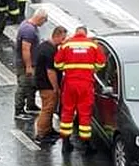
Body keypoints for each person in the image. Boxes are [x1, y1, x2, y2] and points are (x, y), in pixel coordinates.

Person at [53, 25, 105, 154]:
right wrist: (91, 68)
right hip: (86, 84)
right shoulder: (93, 45)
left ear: (75, 33)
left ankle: (65, 143)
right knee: (84, 114)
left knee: (67, 112)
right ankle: (86, 145)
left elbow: (57, 64)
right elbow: (101, 63)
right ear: (85, 34)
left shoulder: (66, 45)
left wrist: (69, 68)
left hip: (70, 84)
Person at [33, 25, 67, 144]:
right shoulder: (50, 51)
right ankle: (41, 134)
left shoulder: (44, 46)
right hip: (47, 85)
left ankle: (49, 130)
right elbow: (50, 71)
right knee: (47, 109)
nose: (63, 42)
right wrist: (55, 87)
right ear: (56, 36)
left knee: (50, 108)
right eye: (63, 39)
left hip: (43, 83)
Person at [13, 9, 47, 118]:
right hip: (26, 64)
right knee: (23, 86)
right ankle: (19, 110)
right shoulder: (29, 30)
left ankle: (31, 105)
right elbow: (25, 49)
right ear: (41, 18)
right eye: (44, 21)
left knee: (32, 85)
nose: (44, 23)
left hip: (32, 63)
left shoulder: (29, 26)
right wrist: (28, 66)